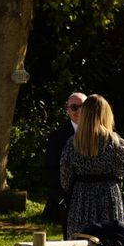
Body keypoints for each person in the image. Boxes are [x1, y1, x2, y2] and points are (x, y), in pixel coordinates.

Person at [60, 94, 124, 239]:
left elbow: (65, 176)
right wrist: (113, 172)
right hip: (108, 194)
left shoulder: (73, 142)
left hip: (81, 196)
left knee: (80, 239)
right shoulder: (112, 139)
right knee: (110, 240)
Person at [43, 92, 87, 236]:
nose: (79, 111)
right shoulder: (57, 137)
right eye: (74, 107)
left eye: (83, 106)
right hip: (69, 198)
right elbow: (50, 168)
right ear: (67, 109)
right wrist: (61, 197)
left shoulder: (103, 134)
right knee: (71, 240)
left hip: (97, 196)